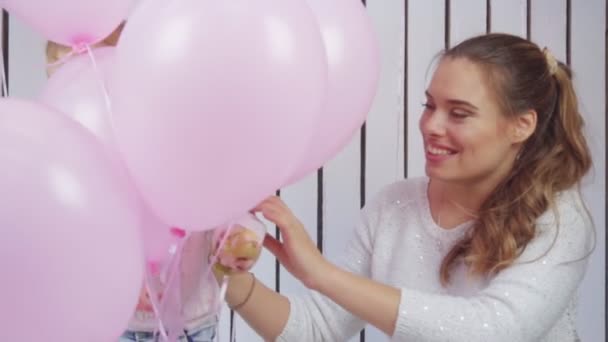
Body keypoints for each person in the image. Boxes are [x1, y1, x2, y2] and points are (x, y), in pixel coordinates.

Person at [223, 33, 594, 342]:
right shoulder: (394, 207)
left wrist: (321, 275)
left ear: (521, 125)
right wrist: (227, 276)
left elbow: (496, 330)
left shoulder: (559, 218)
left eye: (459, 113)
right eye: (429, 105)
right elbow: (317, 329)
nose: (431, 125)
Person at [45, 26, 266, 342]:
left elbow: (228, 204)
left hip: (193, 322)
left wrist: (237, 238)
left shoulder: (189, 144)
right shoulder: (82, 160)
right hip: (110, 323)